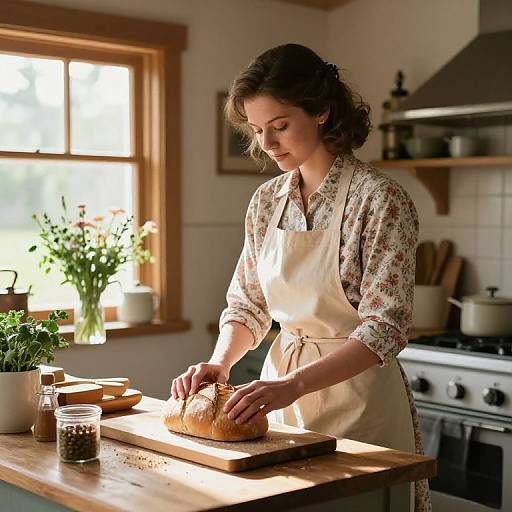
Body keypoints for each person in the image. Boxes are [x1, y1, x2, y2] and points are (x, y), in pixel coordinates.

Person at [171, 43, 431, 512]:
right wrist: (221, 361)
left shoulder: (380, 200)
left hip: (360, 404)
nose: (267, 144)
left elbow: (385, 328)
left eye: (280, 126)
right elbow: (248, 304)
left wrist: (292, 385)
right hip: (280, 402)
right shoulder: (267, 201)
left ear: (323, 113)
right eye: (256, 130)